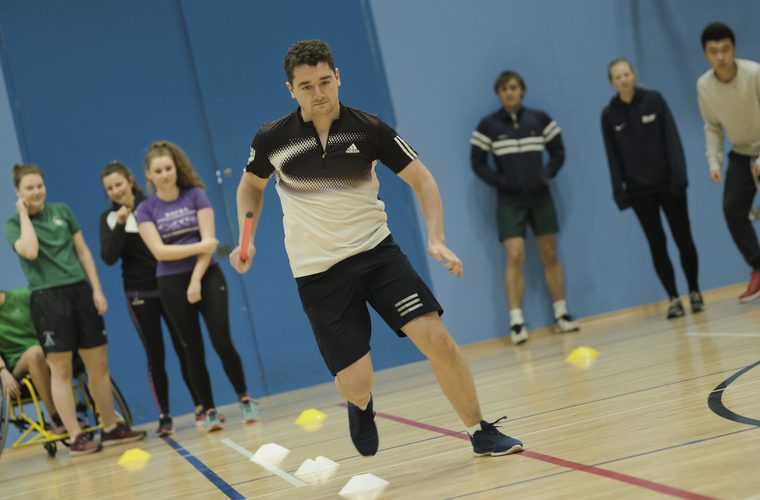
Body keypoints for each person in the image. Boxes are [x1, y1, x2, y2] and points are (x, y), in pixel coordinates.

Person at [231, 39, 523, 457]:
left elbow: (424, 180)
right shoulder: (272, 139)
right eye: (307, 86)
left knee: (437, 339)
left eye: (326, 82)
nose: (319, 93)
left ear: (339, 78)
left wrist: (436, 238)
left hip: (376, 254)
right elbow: (250, 186)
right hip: (318, 272)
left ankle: (480, 431)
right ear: (290, 89)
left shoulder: (369, 129)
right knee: (356, 380)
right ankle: (361, 404)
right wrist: (246, 240)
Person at [5, 164, 146, 456]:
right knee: (61, 369)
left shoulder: (62, 211)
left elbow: (82, 251)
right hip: (47, 299)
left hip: (79, 291)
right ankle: (76, 435)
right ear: (18, 192)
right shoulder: (13, 224)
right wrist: (22, 213)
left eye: (39, 186)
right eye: (29, 188)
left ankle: (110, 428)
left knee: (99, 364)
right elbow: (29, 251)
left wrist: (96, 289)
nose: (36, 192)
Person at [135, 141, 259, 432]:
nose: (165, 174)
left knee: (222, 341)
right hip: (169, 282)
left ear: (176, 168)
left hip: (208, 276)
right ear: (149, 174)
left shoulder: (196, 195)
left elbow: (210, 246)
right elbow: (160, 253)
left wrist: (195, 279)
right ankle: (210, 411)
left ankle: (245, 399)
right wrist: (201, 246)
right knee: (192, 348)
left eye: (168, 168)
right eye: (158, 170)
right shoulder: (145, 209)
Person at [470, 70, 579, 345]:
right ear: (498, 93)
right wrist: (502, 183)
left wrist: (546, 176)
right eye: (504, 88)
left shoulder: (539, 120)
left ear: (522, 91)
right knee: (515, 255)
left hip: (540, 197)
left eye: (514, 87)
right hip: (509, 201)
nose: (510, 92)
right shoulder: (488, 126)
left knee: (549, 252)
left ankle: (561, 314)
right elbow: (478, 162)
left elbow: (559, 151)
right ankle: (517, 321)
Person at [99, 161, 200, 435]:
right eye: (110, 188)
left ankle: (201, 406)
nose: (116, 191)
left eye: (118, 184)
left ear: (130, 181)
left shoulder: (152, 206)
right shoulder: (109, 218)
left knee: (185, 347)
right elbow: (108, 257)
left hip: (169, 286)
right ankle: (165, 416)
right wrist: (120, 224)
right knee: (155, 354)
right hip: (139, 294)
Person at [601, 59, 704, 319]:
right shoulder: (609, 114)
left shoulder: (654, 100)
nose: (623, 79)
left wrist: (679, 177)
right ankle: (673, 298)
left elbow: (672, 139)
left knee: (683, 237)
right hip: (639, 191)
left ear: (634, 75)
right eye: (617, 76)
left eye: (626, 74)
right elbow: (612, 156)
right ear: (612, 82)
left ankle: (694, 290)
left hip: (669, 184)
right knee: (656, 243)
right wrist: (619, 191)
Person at [697, 22, 760, 303]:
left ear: (733, 49)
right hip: (741, 152)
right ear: (705, 55)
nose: (720, 56)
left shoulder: (754, 73)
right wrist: (714, 162)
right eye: (713, 51)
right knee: (733, 210)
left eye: (725, 49)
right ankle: (759, 267)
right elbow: (712, 126)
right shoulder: (704, 86)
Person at [0, 287, 65, 435]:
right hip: (17, 365)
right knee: (35, 353)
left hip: (49, 353)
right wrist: (2, 372)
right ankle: (56, 417)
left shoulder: (22, 296)